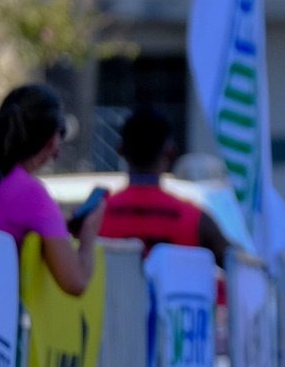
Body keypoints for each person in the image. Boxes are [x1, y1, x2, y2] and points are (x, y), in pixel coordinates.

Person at [0, 83, 103, 296]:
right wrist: (88, 232)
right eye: (62, 131)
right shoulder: (33, 194)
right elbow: (75, 281)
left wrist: (58, 223)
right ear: (52, 140)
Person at [98, 107, 230, 266]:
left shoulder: (94, 218)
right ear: (170, 152)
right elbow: (238, 266)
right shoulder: (197, 220)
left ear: (120, 150)